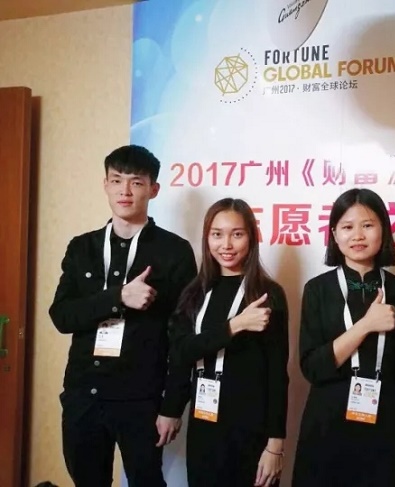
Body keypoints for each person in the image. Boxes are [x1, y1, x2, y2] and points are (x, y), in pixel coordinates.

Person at [49, 145, 197, 487]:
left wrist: (172, 407)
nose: (125, 191)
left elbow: (183, 338)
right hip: (83, 395)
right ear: (105, 185)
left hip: (141, 399)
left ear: (153, 189)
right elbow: (62, 316)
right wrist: (118, 297)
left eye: (136, 182)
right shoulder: (82, 248)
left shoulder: (174, 251)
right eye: (116, 180)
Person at [293, 188, 395, 487]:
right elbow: (312, 367)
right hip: (326, 431)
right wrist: (365, 326)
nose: (357, 235)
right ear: (334, 234)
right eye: (347, 227)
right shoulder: (317, 289)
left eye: (367, 225)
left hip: (387, 432)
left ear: (383, 230)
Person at [165, 198, 289, 487]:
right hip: (204, 425)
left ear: (251, 237)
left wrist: (275, 445)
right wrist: (235, 326)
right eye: (217, 234)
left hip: (253, 431)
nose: (226, 244)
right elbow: (181, 353)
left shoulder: (268, 294)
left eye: (237, 234)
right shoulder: (194, 292)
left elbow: (277, 375)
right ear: (207, 237)